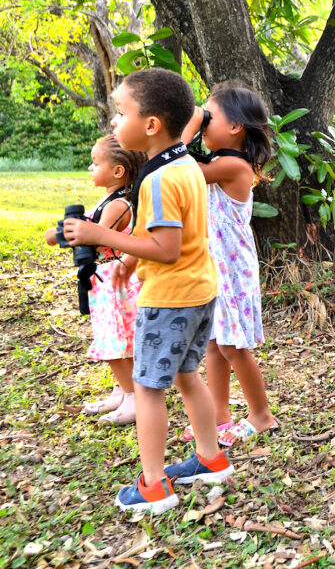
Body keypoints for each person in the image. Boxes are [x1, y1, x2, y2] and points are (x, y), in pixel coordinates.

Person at [63, 68, 234, 513]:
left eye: (120, 113)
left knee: (148, 387)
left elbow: (166, 246)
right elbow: (165, 231)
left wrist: (97, 236)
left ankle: (154, 486)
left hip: (170, 298)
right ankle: (211, 457)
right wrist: (130, 264)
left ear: (151, 124)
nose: (115, 123)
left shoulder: (158, 179)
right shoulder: (182, 164)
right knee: (186, 374)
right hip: (199, 290)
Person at [178, 84, 278, 447]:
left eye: (210, 117)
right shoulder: (215, 163)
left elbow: (179, 166)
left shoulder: (233, 166)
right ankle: (219, 416)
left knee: (234, 346)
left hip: (231, 267)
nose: (204, 122)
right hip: (212, 263)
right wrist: (198, 121)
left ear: (236, 127)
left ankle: (261, 414)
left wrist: (189, 124)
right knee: (214, 343)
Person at [45, 134, 146, 426]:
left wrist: (66, 234)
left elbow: (91, 240)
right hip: (103, 281)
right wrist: (65, 233)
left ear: (118, 171)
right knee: (114, 339)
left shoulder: (119, 205)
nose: (90, 168)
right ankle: (121, 390)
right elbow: (72, 233)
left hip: (116, 280)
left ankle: (133, 397)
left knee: (116, 342)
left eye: (95, 162)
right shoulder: (107, 200)